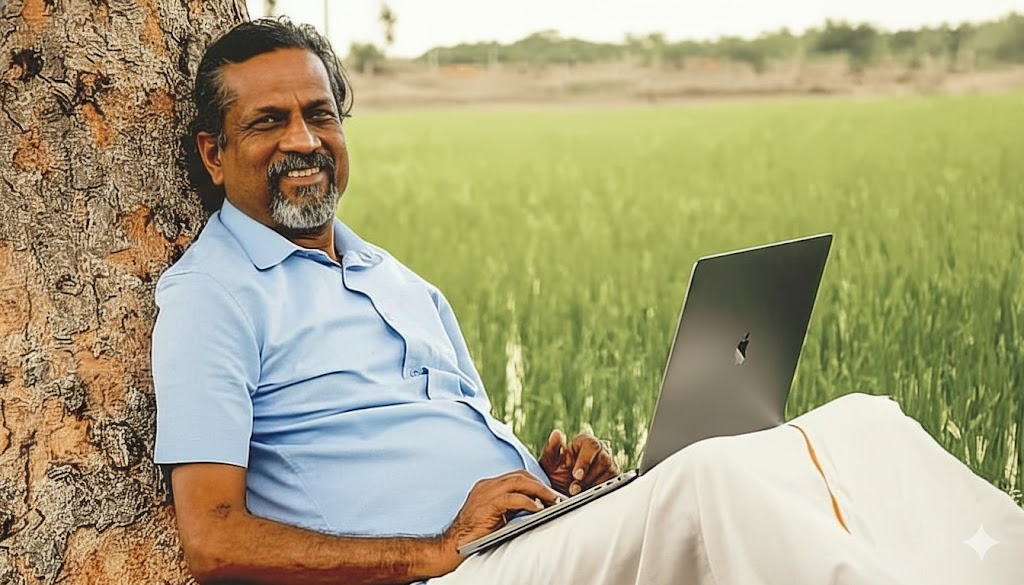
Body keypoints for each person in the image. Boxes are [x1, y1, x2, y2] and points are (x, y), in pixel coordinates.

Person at [153, 18, 1024, 585]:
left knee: (859, 422)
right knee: (712, 478)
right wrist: (433, 547)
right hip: (446, 576)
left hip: (523, 543)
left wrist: (552, 480)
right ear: (213, 151)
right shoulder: (213, 296)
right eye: (268, 122)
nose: (303, 140)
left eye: (319, 113)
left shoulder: (399, 282)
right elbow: (214, 538)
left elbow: (446, 448)